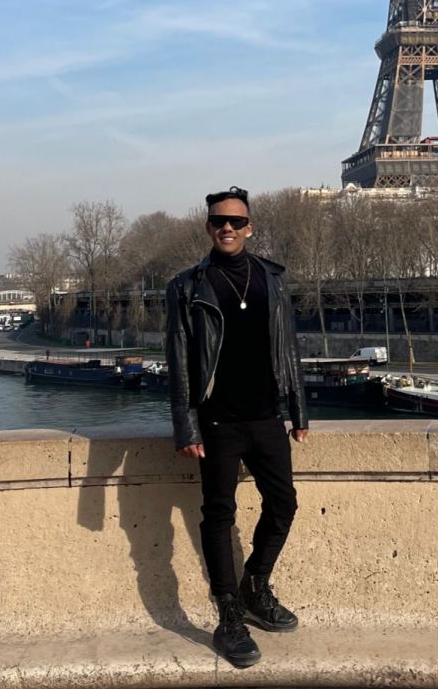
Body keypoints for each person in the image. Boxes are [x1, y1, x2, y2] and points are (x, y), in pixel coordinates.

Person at [165, 185, 309, 668]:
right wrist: (187, 427)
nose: (226, 227)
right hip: (219, 418)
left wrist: (299, 412)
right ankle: (228, 613)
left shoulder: (273, 278)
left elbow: (288, 346)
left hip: (268, 414)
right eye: (217, 221)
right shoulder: (187, 286)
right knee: (218, 514)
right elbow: (181, 360)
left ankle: (255, 585)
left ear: (249, 227)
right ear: (208, 228)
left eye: (235, 221)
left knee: (284, 503)